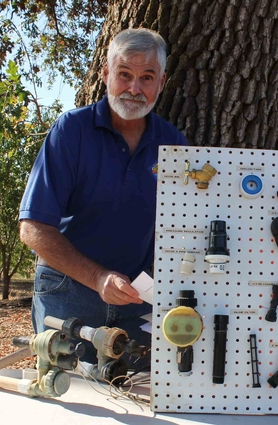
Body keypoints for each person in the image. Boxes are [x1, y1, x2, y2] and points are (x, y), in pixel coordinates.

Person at [19, 28, 187, 363]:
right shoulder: (71, 131)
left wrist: (155, 279)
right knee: (67, 398)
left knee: (133, 401)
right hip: (68, 294)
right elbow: (33, 227)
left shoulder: (175, 144)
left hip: (137, 302)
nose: (134, 88)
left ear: (162, 82)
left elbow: (183, 229)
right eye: (125, 74)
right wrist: (97, 277)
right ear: (106, 73)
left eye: (147, 77)